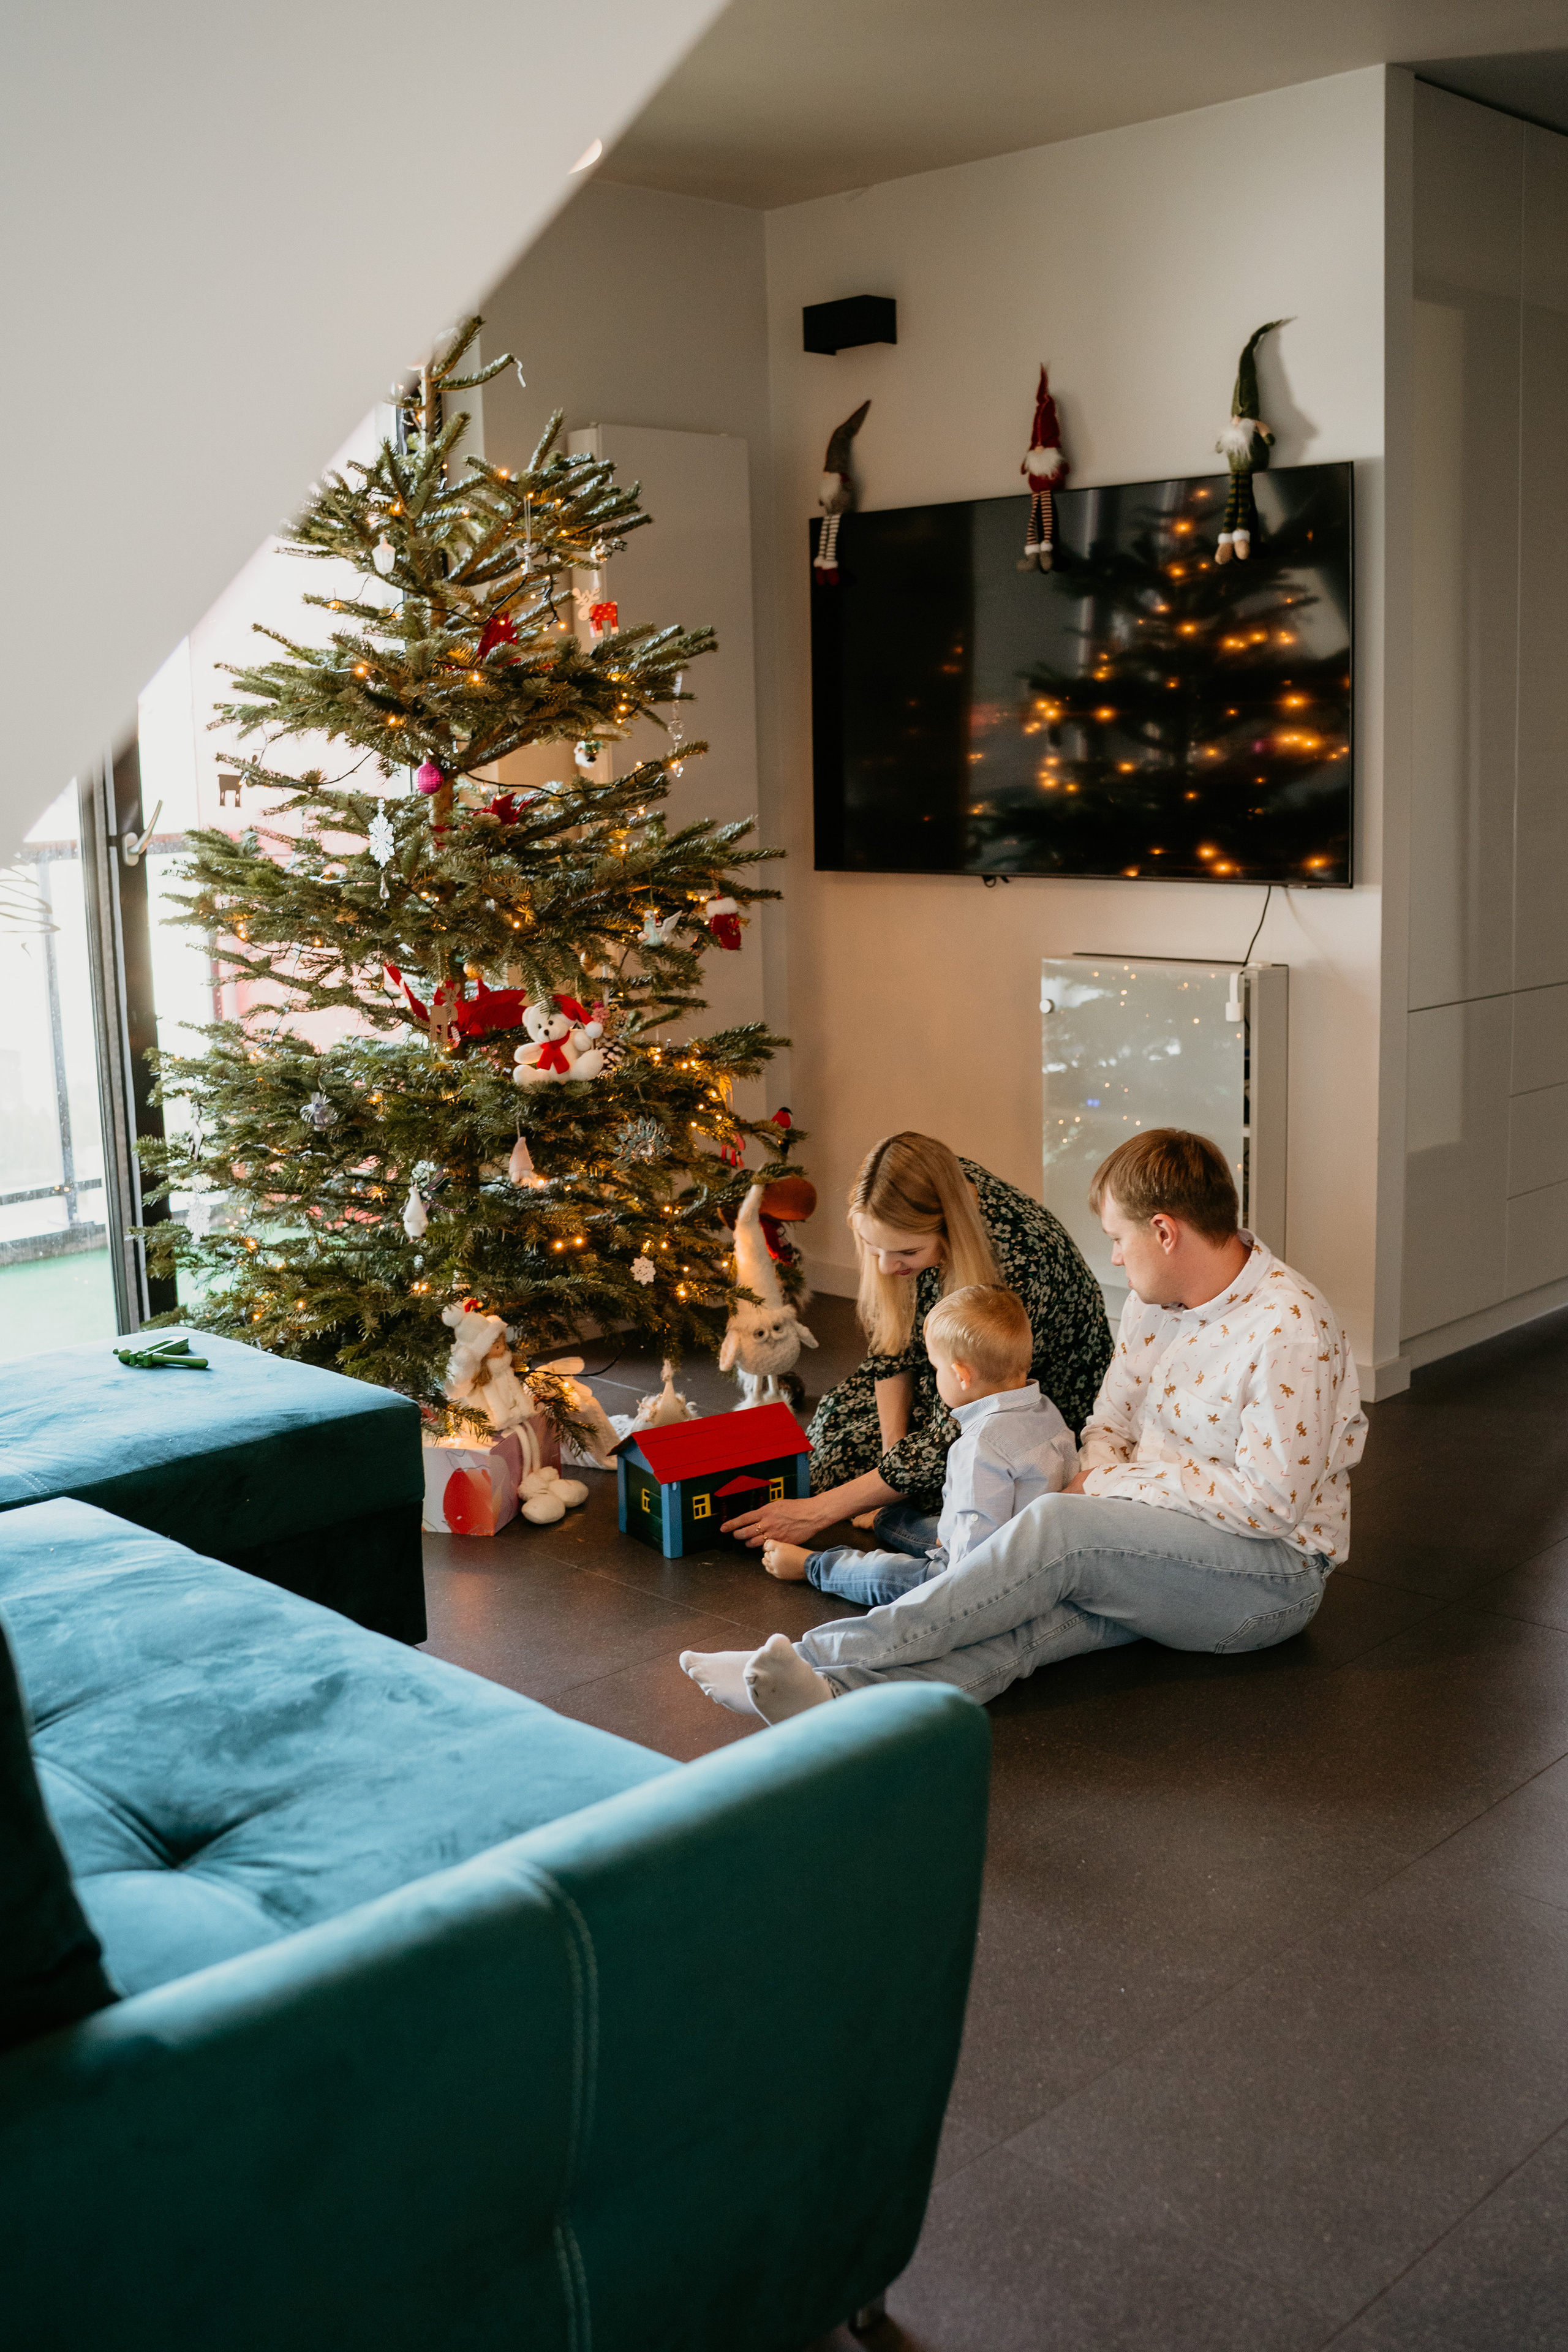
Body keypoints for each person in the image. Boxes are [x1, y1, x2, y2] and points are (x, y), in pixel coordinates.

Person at [682, 1128, 1368, 1725]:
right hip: (1155, 1544)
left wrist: (1109, 1486)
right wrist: (1105, 1480)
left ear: (1164, 1231)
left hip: (1270, 1582)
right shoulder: (1152, 1304)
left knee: (1058, 1532)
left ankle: (814, 1655)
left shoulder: (1287, 1332)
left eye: (1118, 1240)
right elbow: (1106, 1422)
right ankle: (833, 1695)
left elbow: (1267, 1505)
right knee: (1024, 1625)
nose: (1118, 1259)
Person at [720, 1132, 1112, 1559]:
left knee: (964, 1479)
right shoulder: (916, 1197)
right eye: (874, 1249)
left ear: (949, 1230)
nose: (886, 1267)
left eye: (905, 1252)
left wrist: (818, 1513)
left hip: (1019, 1406)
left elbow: (960, 1429)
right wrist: (893, 1453)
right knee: (830, 1443)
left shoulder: (1022, 1257)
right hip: (952, 1373)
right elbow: (892, 1345)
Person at [762, 1284, 1077, 1608]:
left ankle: (815, 1567)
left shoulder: (980, 1447)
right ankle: (885, 1519)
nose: (936, 1376)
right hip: (1029, 1546)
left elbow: (969, 1564)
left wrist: (956, 1544)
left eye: (937, 1368)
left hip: (986, 1571)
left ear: (961, 1375)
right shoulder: (1046, 1410)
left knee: (894, 1576)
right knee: (929, 1527)